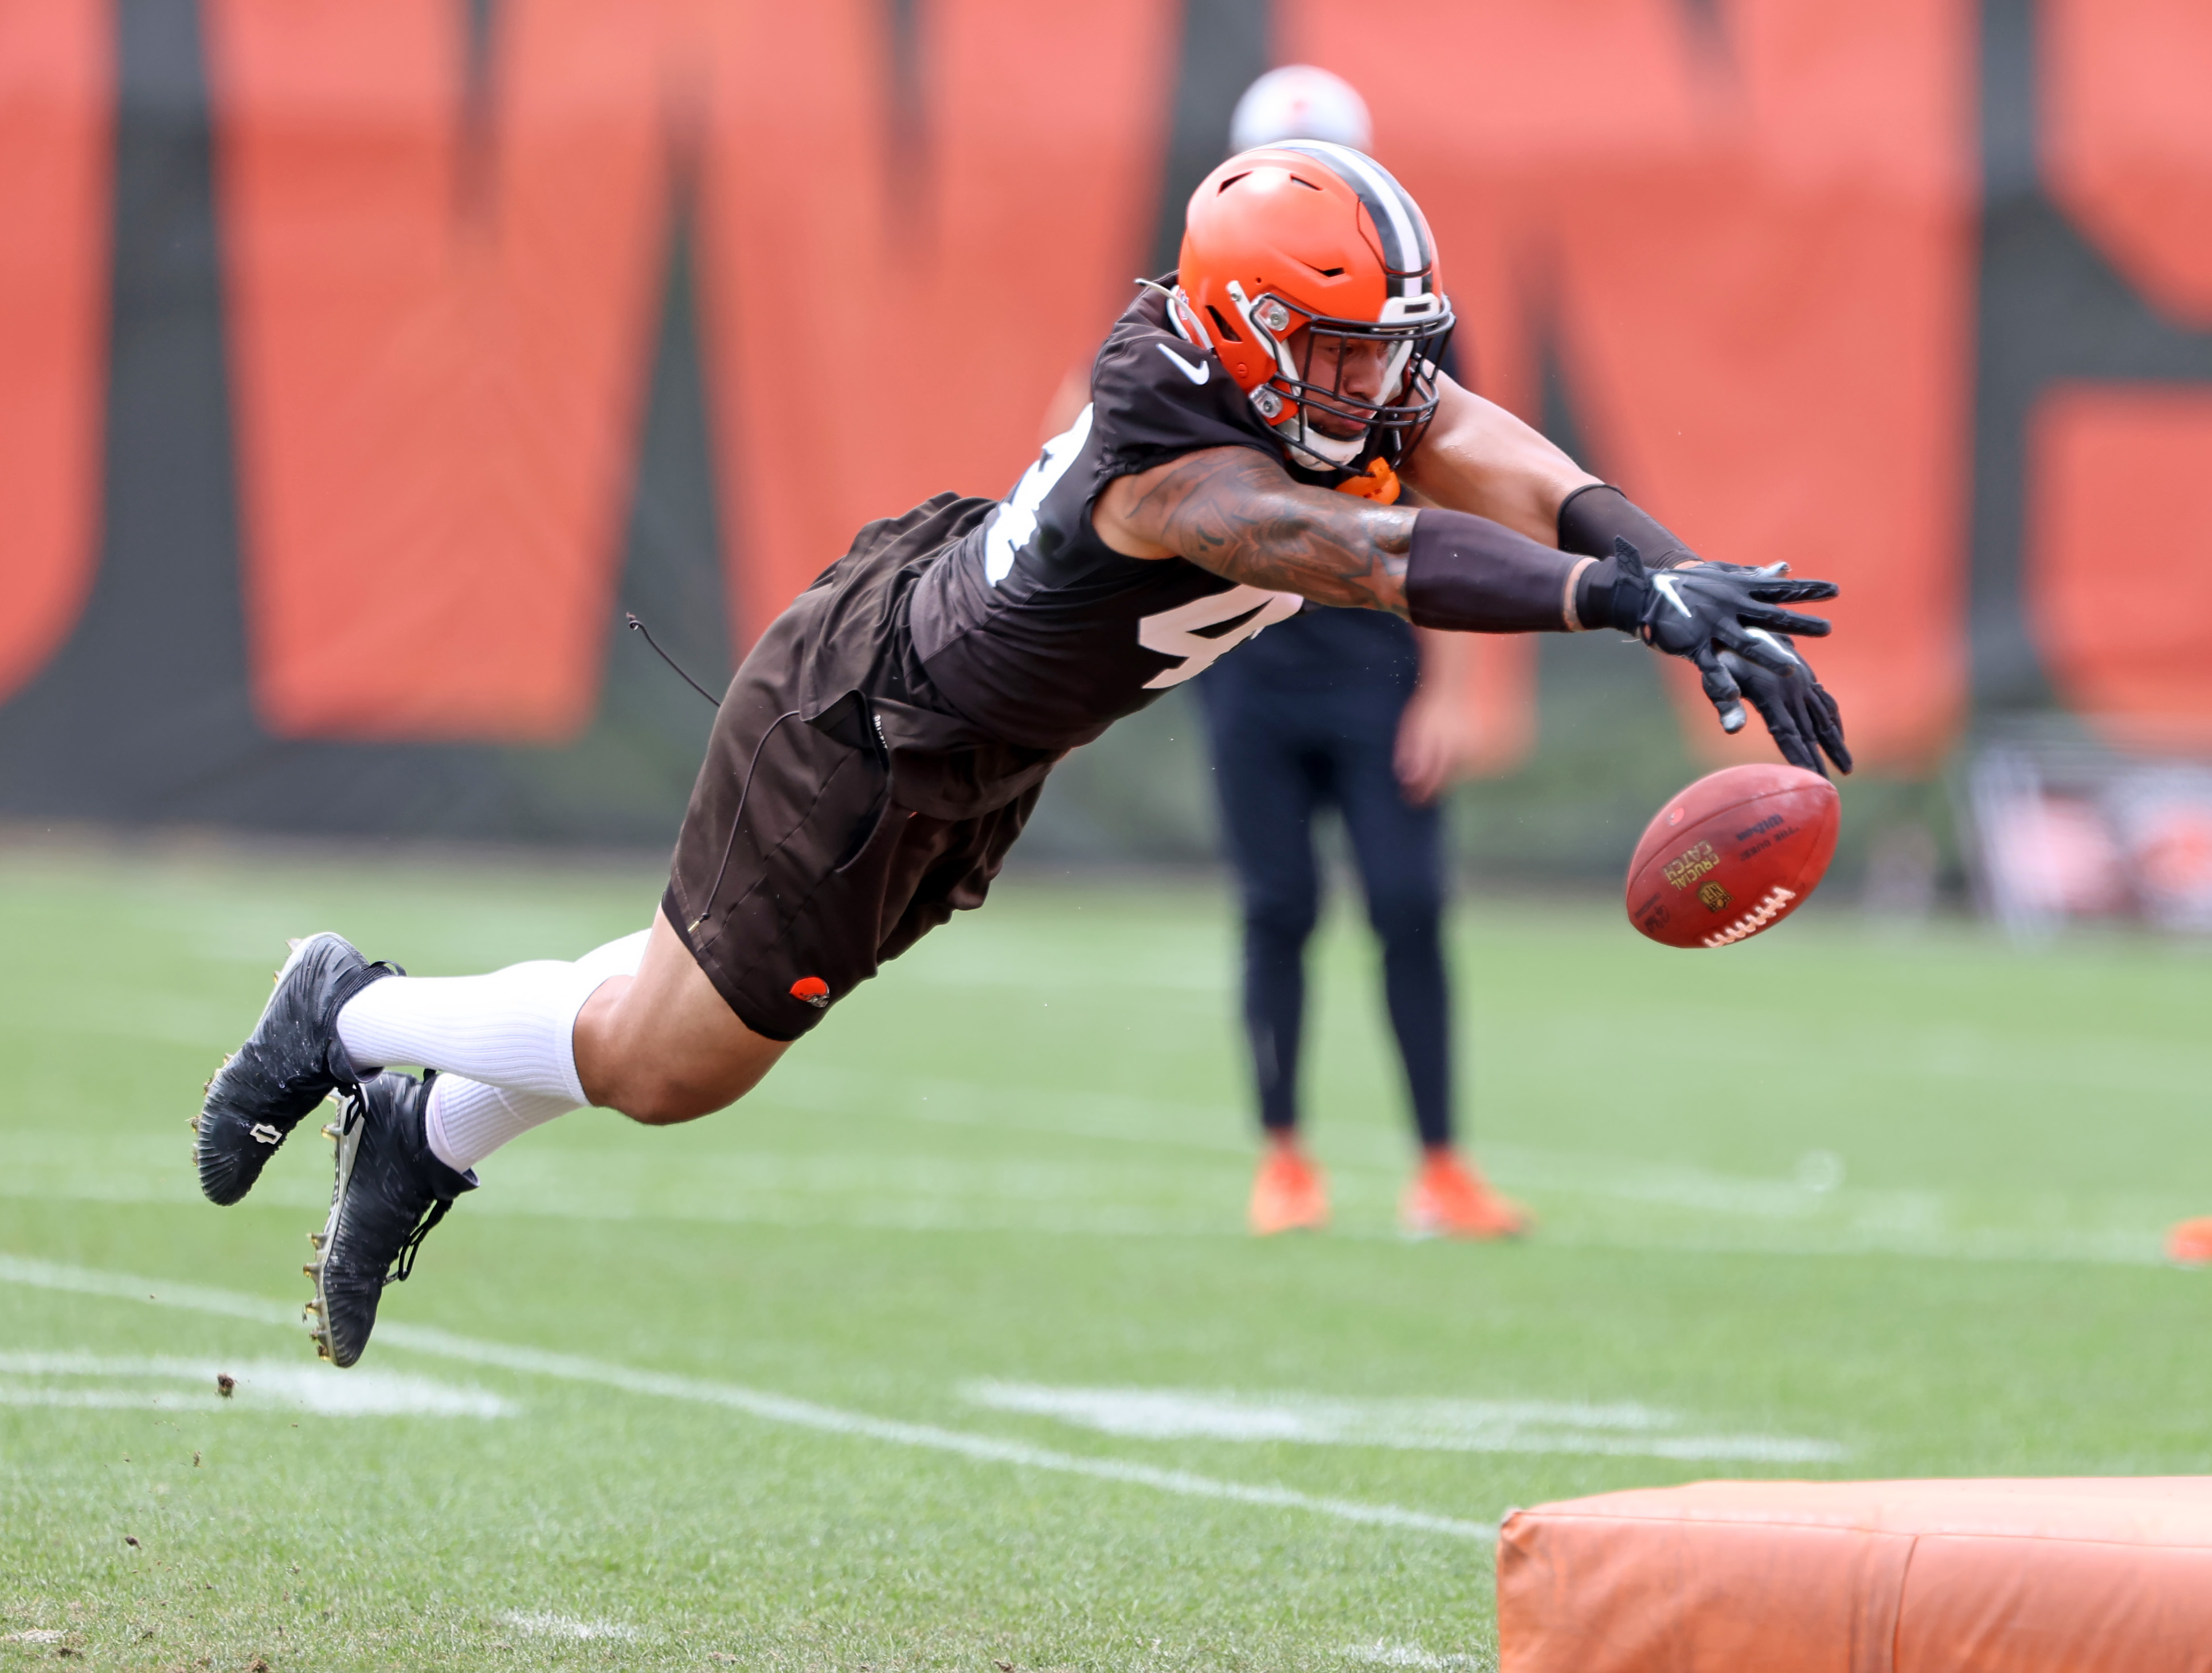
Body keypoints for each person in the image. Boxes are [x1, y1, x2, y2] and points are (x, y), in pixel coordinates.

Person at [193, 142, 1851, 1369]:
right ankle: (343, 1008)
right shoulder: (1175, 461)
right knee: (672, 1064)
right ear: (1249, 332)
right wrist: (1616, 599)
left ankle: (425, 1137)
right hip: (870, 730)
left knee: (664, 1005)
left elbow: (1474, 443)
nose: (1376, 384)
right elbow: (1364, 554)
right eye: (1339, 353)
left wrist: (1665, 568)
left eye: (1380, 350)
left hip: (964, 746)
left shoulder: (1296, 379)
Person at [1200, 66, 1517, 1240]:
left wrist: (1454, 683)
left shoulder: (1412, 320)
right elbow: (1080, 436)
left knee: (1407, 902)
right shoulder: (1200, 318)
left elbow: (1466, 510)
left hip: (1377, 664)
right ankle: (1283, 1155)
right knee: (1276, 905)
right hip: (1246, 665)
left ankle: (1440, 1164)